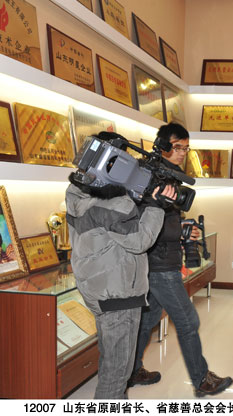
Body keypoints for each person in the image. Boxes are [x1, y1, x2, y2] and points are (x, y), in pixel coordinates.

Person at [129, 123, 233, 397]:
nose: (182, 153)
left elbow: (164, 219)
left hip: (162, 260)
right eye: (177, 147)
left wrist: (184, 228)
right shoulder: (149, 177)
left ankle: (132, 370)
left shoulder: (170, 177)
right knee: (188, 321)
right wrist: (176, 231)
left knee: (148, 319)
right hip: (160, 265)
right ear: (163, 146)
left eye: (186, 148)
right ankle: (202, 380)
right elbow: (144, 221)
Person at [65, 132, 171, 399]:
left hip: (99, 289)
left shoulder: (78, 193)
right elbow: (139, 241)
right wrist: (157, 206)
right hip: (119, 293)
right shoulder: (114, 204)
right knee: (117, 374)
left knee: (111, 362)